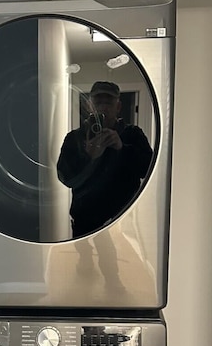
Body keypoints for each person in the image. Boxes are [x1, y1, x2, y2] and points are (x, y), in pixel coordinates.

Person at [56, 80, 153, 239]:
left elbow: (148, 170)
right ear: (89, 105)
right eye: (98, 101)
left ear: (118, 107)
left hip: (124, 217)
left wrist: (122, 148)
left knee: (127, 263)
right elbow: (65, 178)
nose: (103, 107)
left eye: (108, 102)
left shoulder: (132, 134)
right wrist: (87, 156)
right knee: (86, 264)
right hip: (85, 221)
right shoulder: (75, 138)